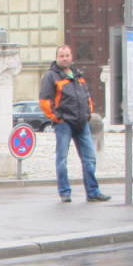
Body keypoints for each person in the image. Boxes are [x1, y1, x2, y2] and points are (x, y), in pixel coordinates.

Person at [39, 45, 110, 203]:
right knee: (62, 159)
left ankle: (93, 192)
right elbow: (44, 101)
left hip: (82, 122)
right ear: (57, 58)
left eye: (67, 55)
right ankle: (65, 192)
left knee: (89, 158)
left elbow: (86, 95)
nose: (64, 58)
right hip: (64, 124)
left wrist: (89, 112)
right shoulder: (51, 76)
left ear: (71, 57)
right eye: (61, 55)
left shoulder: (77, 74)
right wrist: (57, 118)